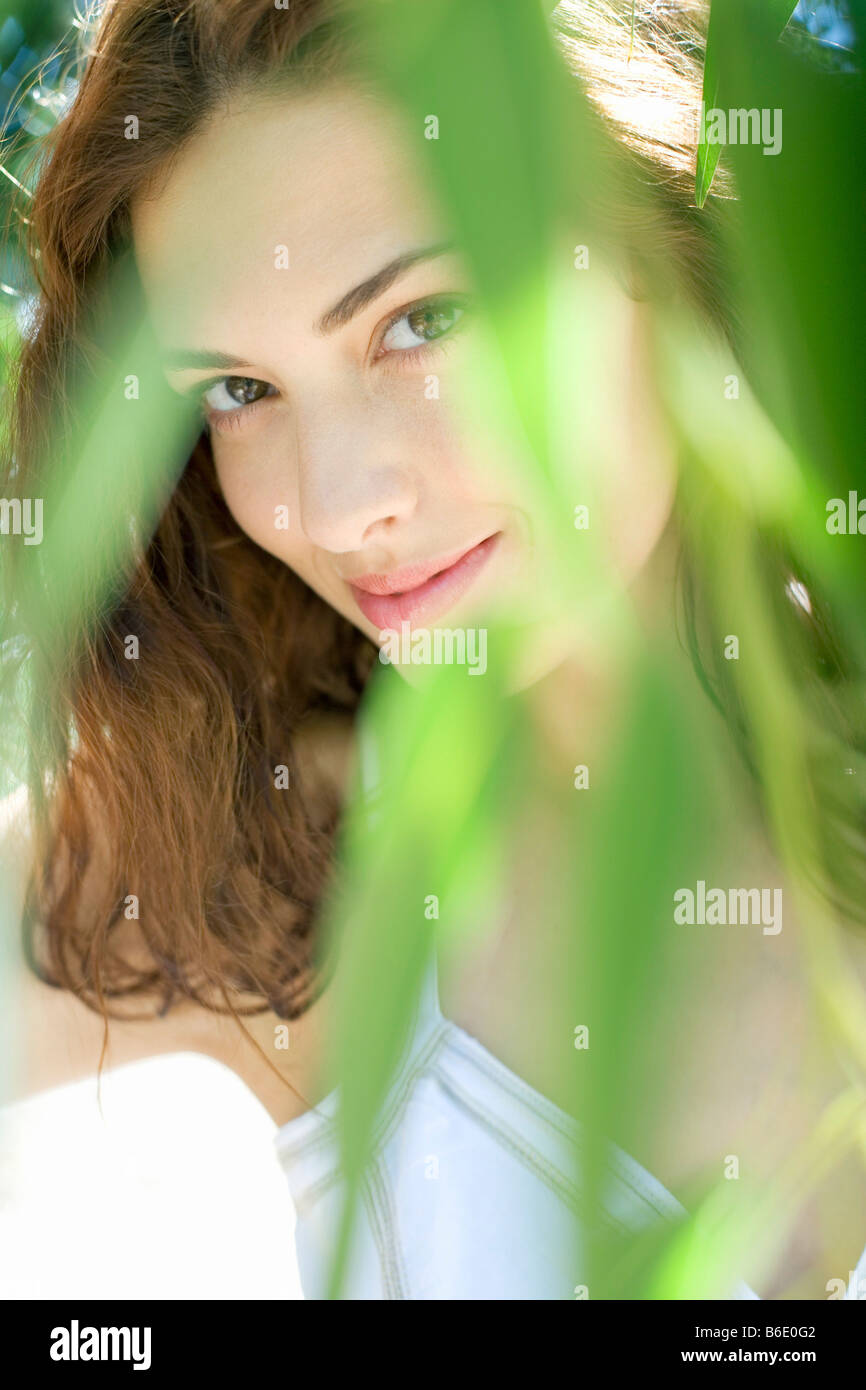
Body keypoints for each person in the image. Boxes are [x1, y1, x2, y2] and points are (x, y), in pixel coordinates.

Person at [2, 0, 865, 1299]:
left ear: (674, 241)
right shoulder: (181, 877)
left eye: (425, 320)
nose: (337, 502)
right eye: (236, 389)